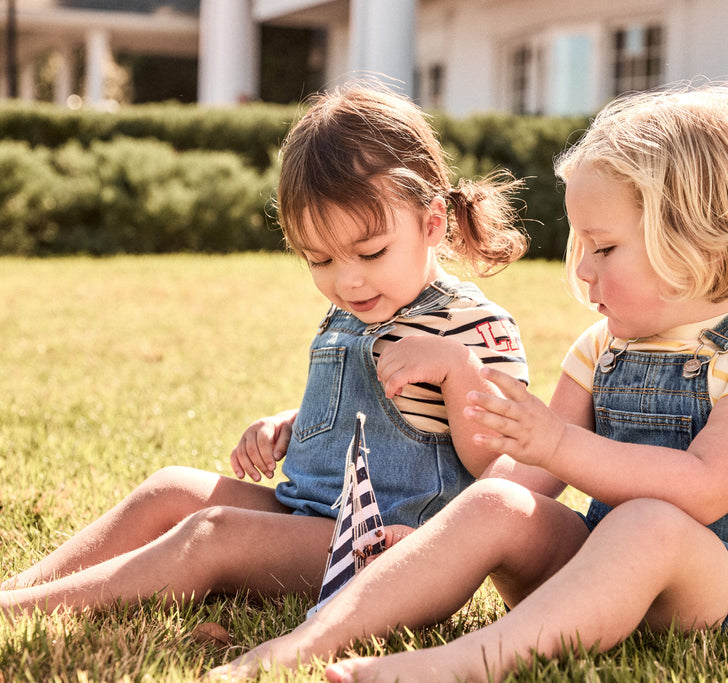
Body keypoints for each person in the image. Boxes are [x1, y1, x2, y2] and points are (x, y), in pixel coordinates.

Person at [209, 81, 728, 682]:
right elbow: (524, 478)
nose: (582, 269)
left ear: (699, 239)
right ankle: (307, 642)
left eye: (604, 248)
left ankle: (466, 664)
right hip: (595, 567)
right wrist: (433, 538)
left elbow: (704, 489)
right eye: (580, 244)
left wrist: (558, 443)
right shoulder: (601, 349)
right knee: (496, 501)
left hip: (719, 593)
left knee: (648, 523)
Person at [0, 84, 530, 617]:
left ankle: (29, 609)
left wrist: (457, 369)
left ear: (432, 222)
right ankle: (20, 585)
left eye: (371, 253)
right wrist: (291, 425)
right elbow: (365, 413)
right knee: (171, 489)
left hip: (390, 551)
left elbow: (504, 468)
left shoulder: (473, 325)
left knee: (213, 533)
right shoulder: (355, 310)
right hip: (309, 517)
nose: (347, 281)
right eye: (320, 260)